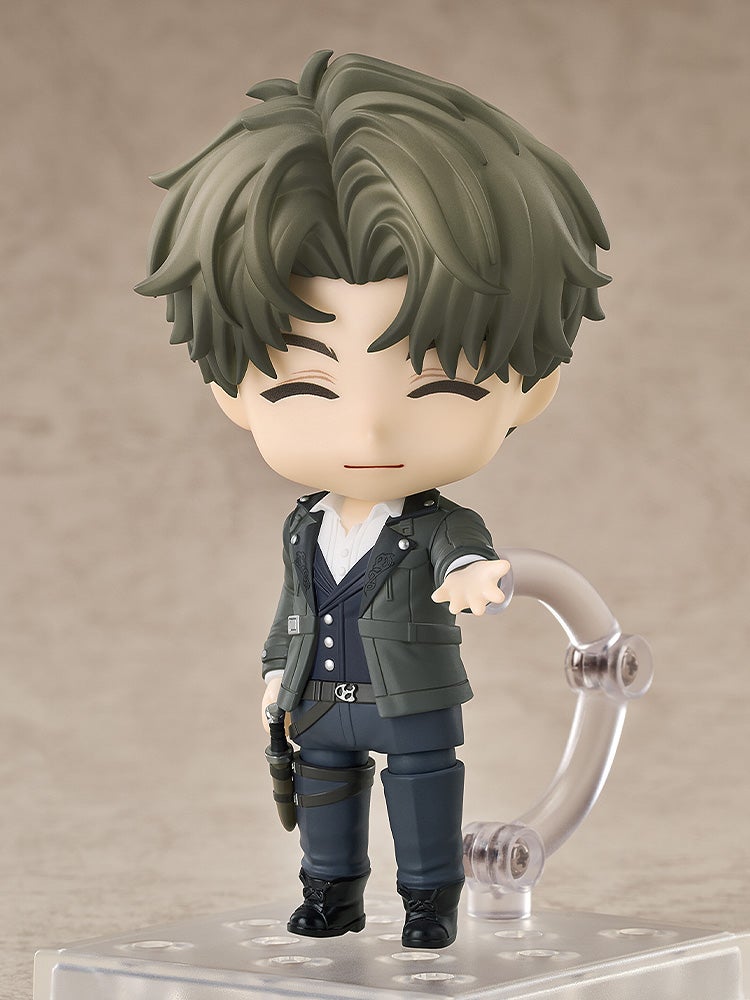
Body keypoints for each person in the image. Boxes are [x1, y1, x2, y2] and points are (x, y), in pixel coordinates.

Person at [135, 49, 609, 948]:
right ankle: (330, 895)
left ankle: (429, 902)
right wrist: (275, 670)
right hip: (317, 696)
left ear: (533, 387)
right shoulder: (303, 523)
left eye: (439, 387)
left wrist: (475, 574)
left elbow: (465, 551)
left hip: (412, 694)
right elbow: (294, 604)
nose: (369, 432)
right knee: (325, 791)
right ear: (232, 392)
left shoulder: (437, 522)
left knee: (423, 788)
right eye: (305, 387)